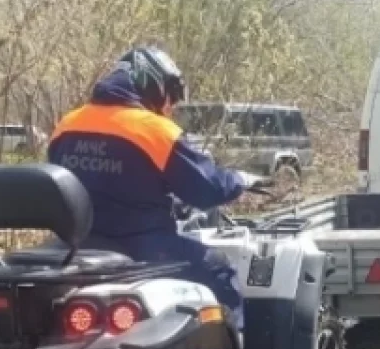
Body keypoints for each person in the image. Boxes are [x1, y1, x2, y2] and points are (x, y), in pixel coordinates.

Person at [47, 46, 255, 331]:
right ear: (151, 83)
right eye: (171, 93)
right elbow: (208, 189)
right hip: (140, 246)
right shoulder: (154, 130)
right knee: (219, 269)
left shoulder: (68, 123)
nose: (171, 106)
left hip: (73, 245)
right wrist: (240, 180)